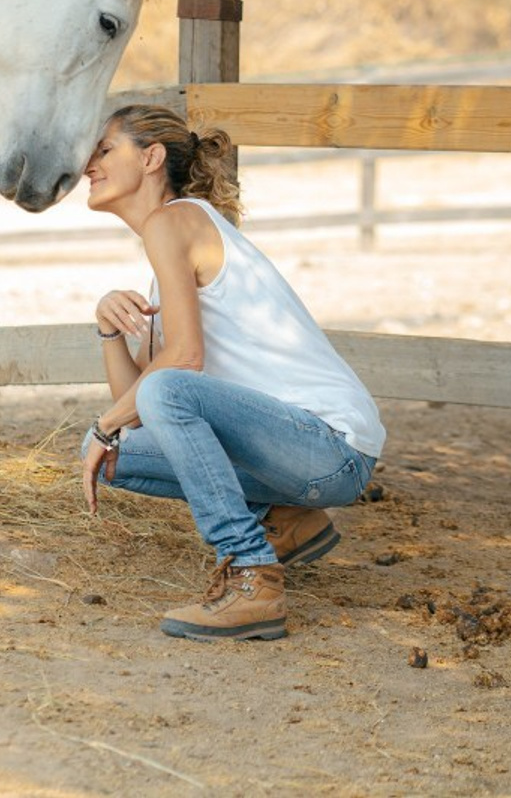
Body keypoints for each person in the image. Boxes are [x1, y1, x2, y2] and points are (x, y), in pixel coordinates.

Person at [81, 104, 385, 641]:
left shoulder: (174, 221)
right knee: (111, 454)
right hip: (296, 454)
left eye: (105, 150)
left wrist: (105, 425)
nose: (89, 165)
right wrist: (108, 331)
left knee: (154, 398)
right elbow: (141, 414)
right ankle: (286, 520)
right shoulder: (168, 245)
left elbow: (181, 365)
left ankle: (251, 575)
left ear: (151, 159)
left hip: (331, 446)